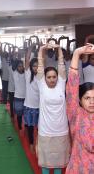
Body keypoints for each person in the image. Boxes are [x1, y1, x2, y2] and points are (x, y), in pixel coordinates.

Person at [36, 43, 70, 174]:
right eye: (48, 77)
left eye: (54, 77)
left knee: (58, 166)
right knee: (45, 165)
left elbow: (61, 65)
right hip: (45, 132)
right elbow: (40, 65)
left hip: (61, 131)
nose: (51, 79)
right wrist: (41, 49)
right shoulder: (41, 86)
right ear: (44, 78)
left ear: (58, 77)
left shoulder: (61, 84)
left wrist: (59, 49)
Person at [66, 43, 94, 174]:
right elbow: (72, 87)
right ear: (80, 101)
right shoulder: (76, 114)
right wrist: (77, 53)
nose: (92, 102)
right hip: (77, 169)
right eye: (87, 98)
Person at [24, 45, 39, 153]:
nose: (36, 68)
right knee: (30, 127)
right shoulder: (28, 74)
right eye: (34, 66)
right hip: (29, 106)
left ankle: (38, 143)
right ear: (31, 67)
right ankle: (31, 144)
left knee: (39, 128)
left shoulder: (42, 76)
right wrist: (29, 50)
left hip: (39, 107)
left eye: (37, 66)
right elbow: (26, 60)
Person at [13, 60, 26, 131]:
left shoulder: (26, 74)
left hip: (26, 97)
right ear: (16, 67)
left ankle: (26, 126)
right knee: (19, 114)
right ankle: (19, 126)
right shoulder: (15, 73)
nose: (21, 68)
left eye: (22, 66)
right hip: (18, 97)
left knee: (26, 114)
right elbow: (13, 66)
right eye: (19, 66)